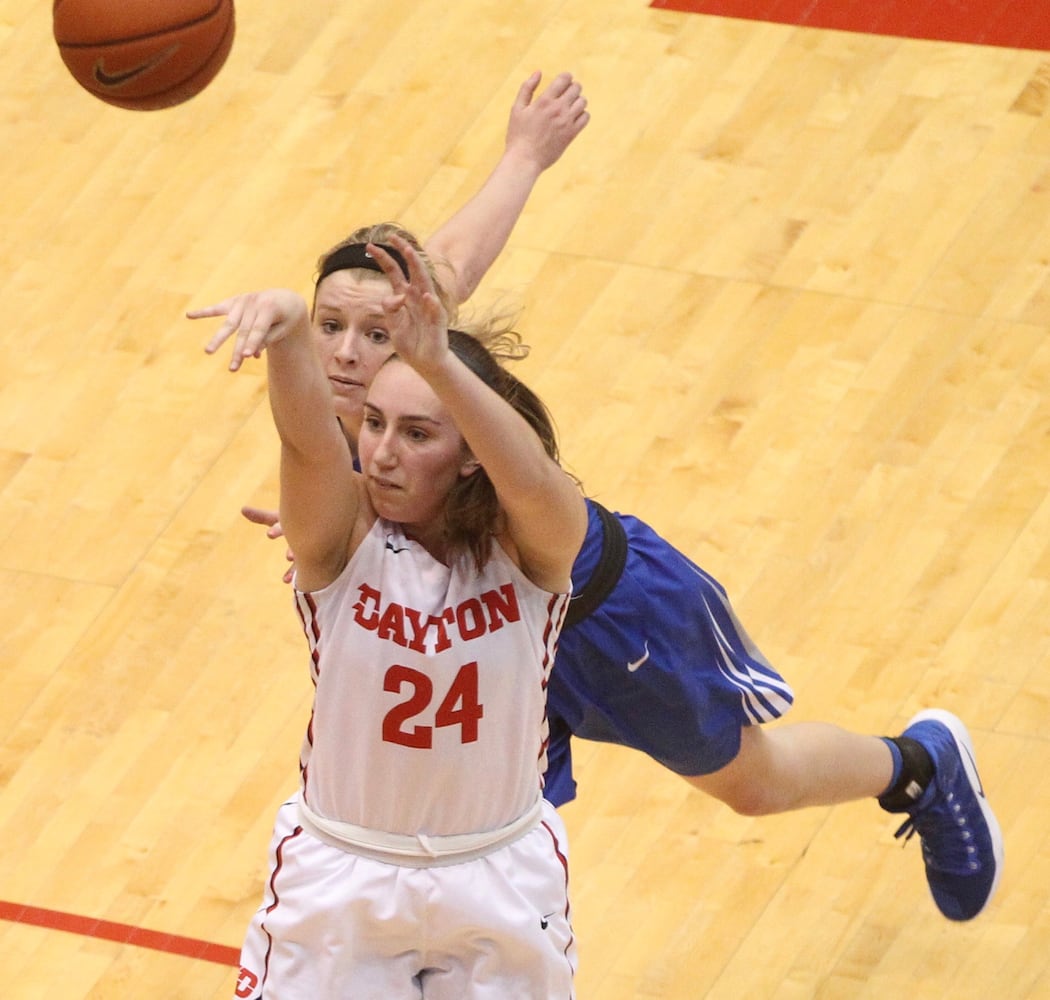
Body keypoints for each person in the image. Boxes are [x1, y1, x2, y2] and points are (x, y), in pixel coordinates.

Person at [247, 73, 1004, 925]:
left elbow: (451, 270)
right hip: (476, 651)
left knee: (755, 785)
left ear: (419, 329)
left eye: (377, 332)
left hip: (601, 615)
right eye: (329, 326)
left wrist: (525, 156)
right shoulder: (334, 417)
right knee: (484, 835)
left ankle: (918, 766)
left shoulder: (435, 383)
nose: (349, 352)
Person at [192, 236, 588, 998]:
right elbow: (309, 445)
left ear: (471, 451)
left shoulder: (533, 551)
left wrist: (440, 362)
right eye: (374, 423)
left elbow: (534, 478)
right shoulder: (339, 542)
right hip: (347, 871)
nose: (380, 454)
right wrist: (285, 336)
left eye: (416, 434)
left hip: (497, 872)